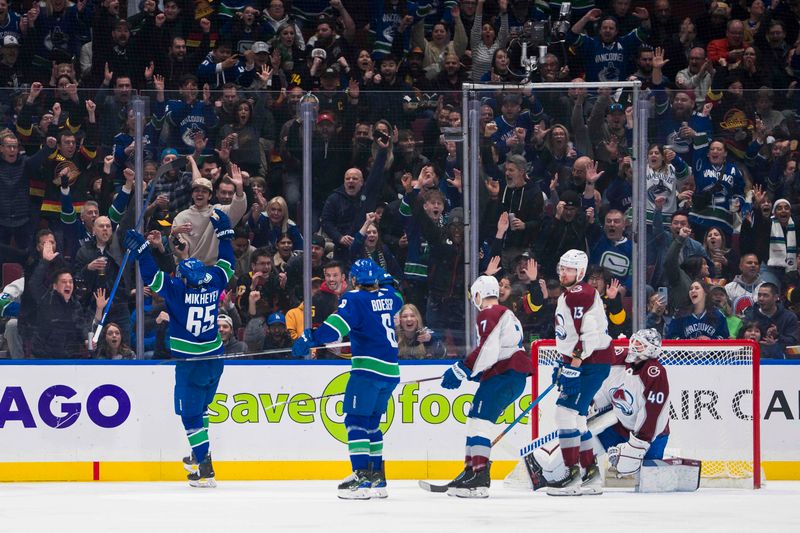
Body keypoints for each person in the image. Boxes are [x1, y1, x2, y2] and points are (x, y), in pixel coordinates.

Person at [124, 208, 236, 488]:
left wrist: (141, 251)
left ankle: (206, 469)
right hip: (214, 360)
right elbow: (227, 265)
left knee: (190, 416)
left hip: (191, 365)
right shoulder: (212, 283)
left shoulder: (177, 289)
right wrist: (225, 234)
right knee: (203, 409)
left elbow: (152, 277)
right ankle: (200, 454)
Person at [291, 259, 403, 500]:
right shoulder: (391, 297)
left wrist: (311, 338)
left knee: (354, 421)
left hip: (367, 371)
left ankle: (361, 478)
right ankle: (378, 479)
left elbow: (335, 328)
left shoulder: (354, 298)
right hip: (391, 372)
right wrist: (382, 278)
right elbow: (395, 291)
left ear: (353, 280)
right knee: (372, 423)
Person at [534, 329, 671, 484]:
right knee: (585, 439)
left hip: (652, 436)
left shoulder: (655, 373)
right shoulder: (618, 361)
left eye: (640, 343)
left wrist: (638, 444)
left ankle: (665, 460)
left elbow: (653, 413)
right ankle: (558, 471)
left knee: (648, 481)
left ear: (652, 349)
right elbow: (603, 390)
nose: (634, 345)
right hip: (619, 427)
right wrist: (589, 404)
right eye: (634, 340)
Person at [439, 275, 532, 498]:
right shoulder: (506, 314)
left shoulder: (489, 313)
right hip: (506, 375)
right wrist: (477, 372)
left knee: (480, 423)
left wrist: (461, 369)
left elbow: (487, 348)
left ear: (479, 295)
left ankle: (480, 478)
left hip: (505, 376)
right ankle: (471, 471)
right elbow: (498, 350)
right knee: (474, 420)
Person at [547, 249, 616, 496]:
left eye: (569, 269)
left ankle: (572, 475)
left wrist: (573, 366)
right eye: (562, 268)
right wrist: (564, 361)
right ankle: (591, 474)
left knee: (563, 414)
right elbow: (571, 336)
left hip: (590, 363)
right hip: (588, 362)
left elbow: (589, 336)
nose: (564, 273)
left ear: (581, 272)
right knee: (576, 419)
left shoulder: (580, 294)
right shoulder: (573, 294)